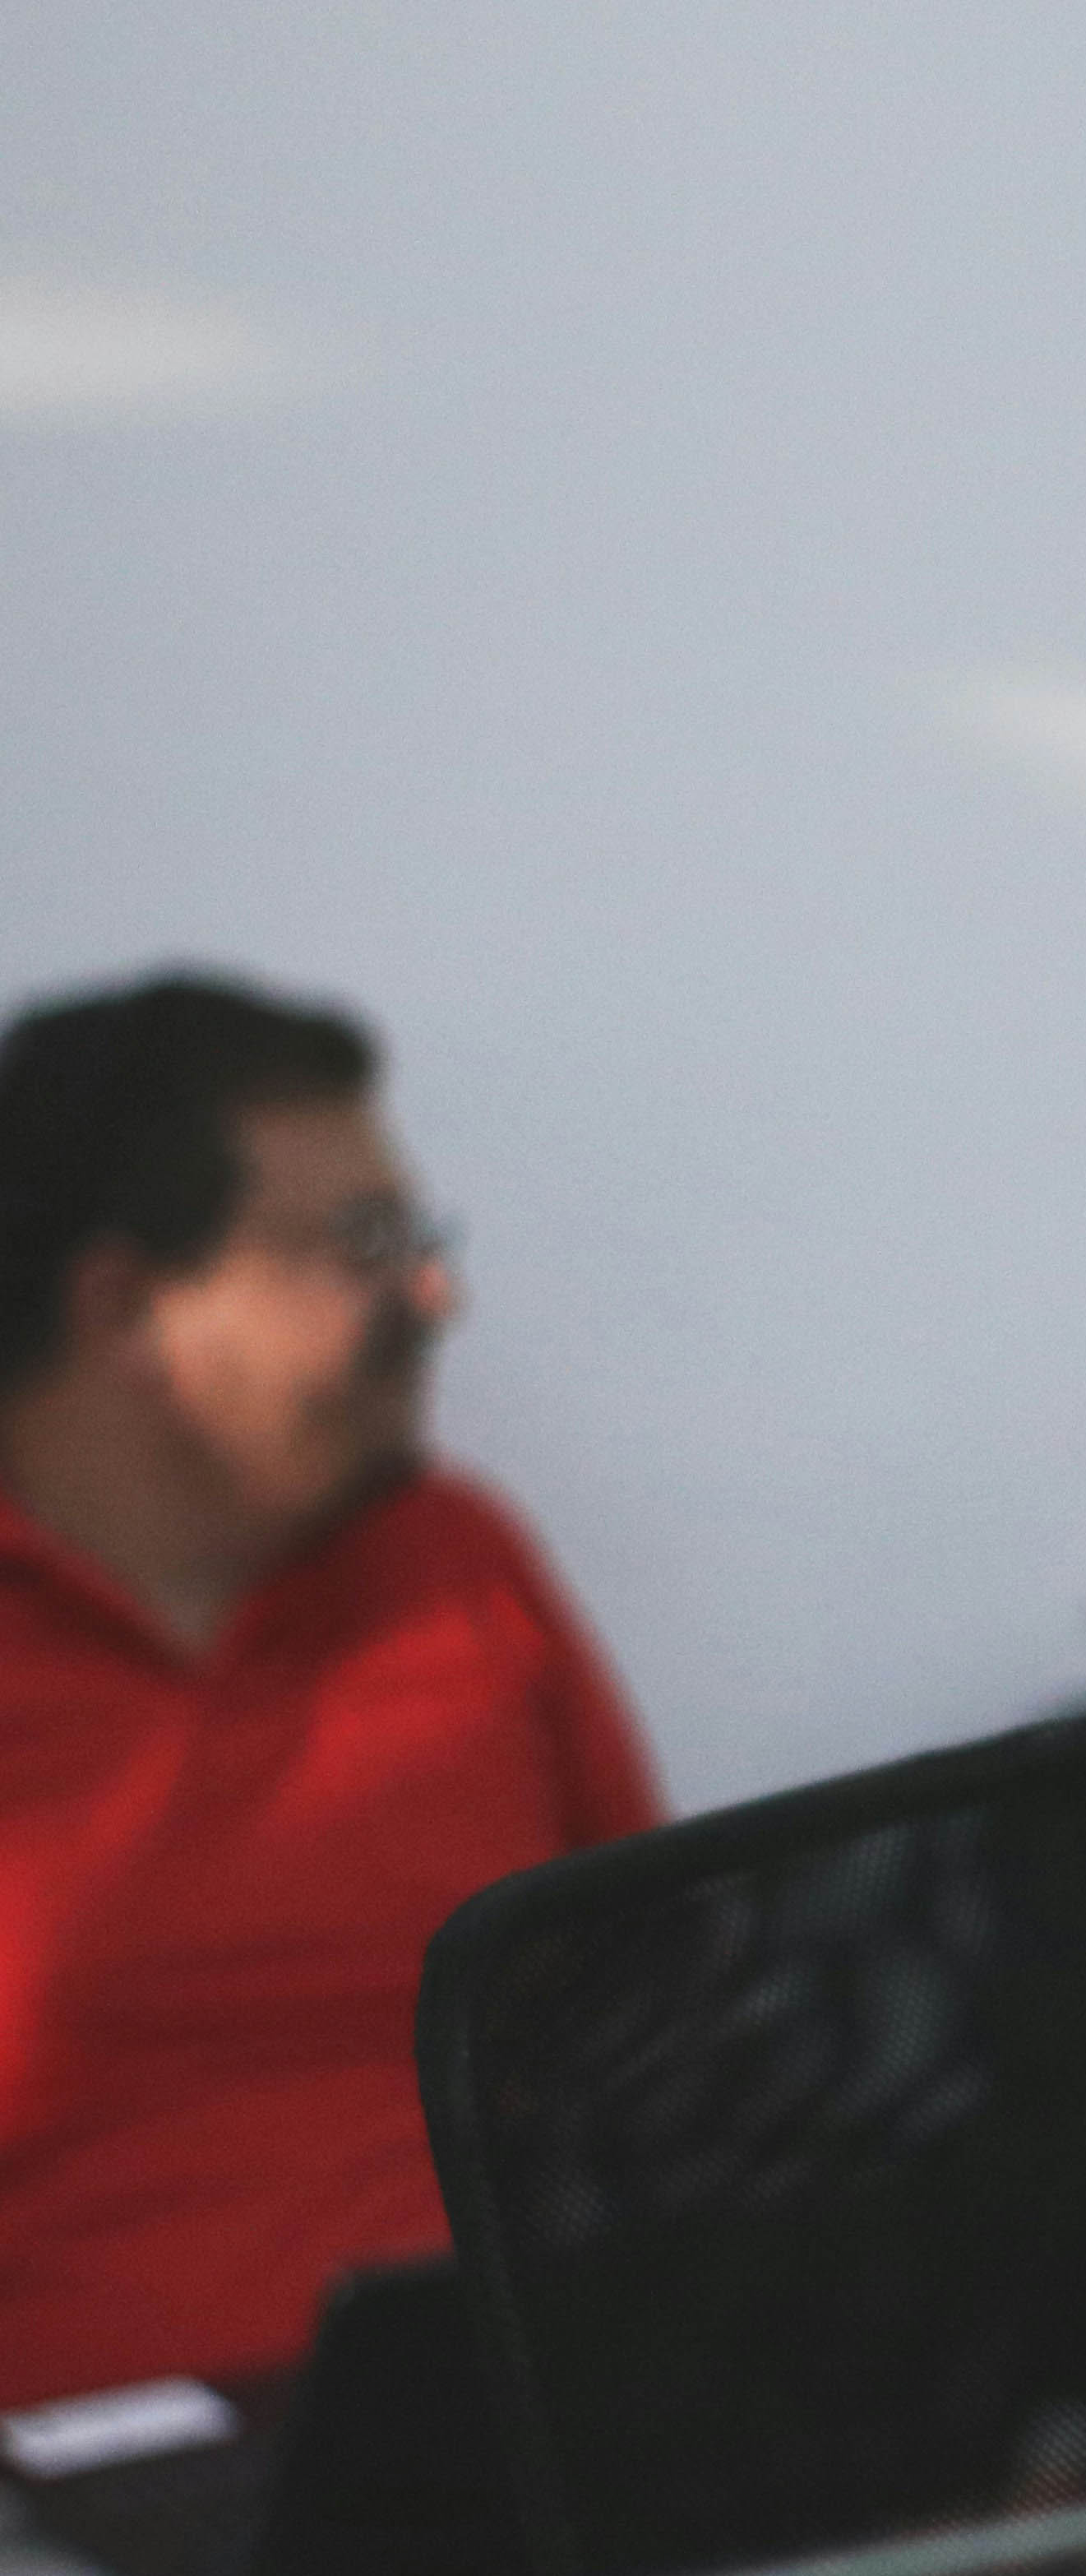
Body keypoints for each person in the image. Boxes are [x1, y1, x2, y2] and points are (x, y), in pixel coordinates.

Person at [0, 972, 659, 2408]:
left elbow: (665, 2028)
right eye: (366, 1245)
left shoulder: (454, 1563)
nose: (436, 1294)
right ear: (127, 1307)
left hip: (540, 2445)